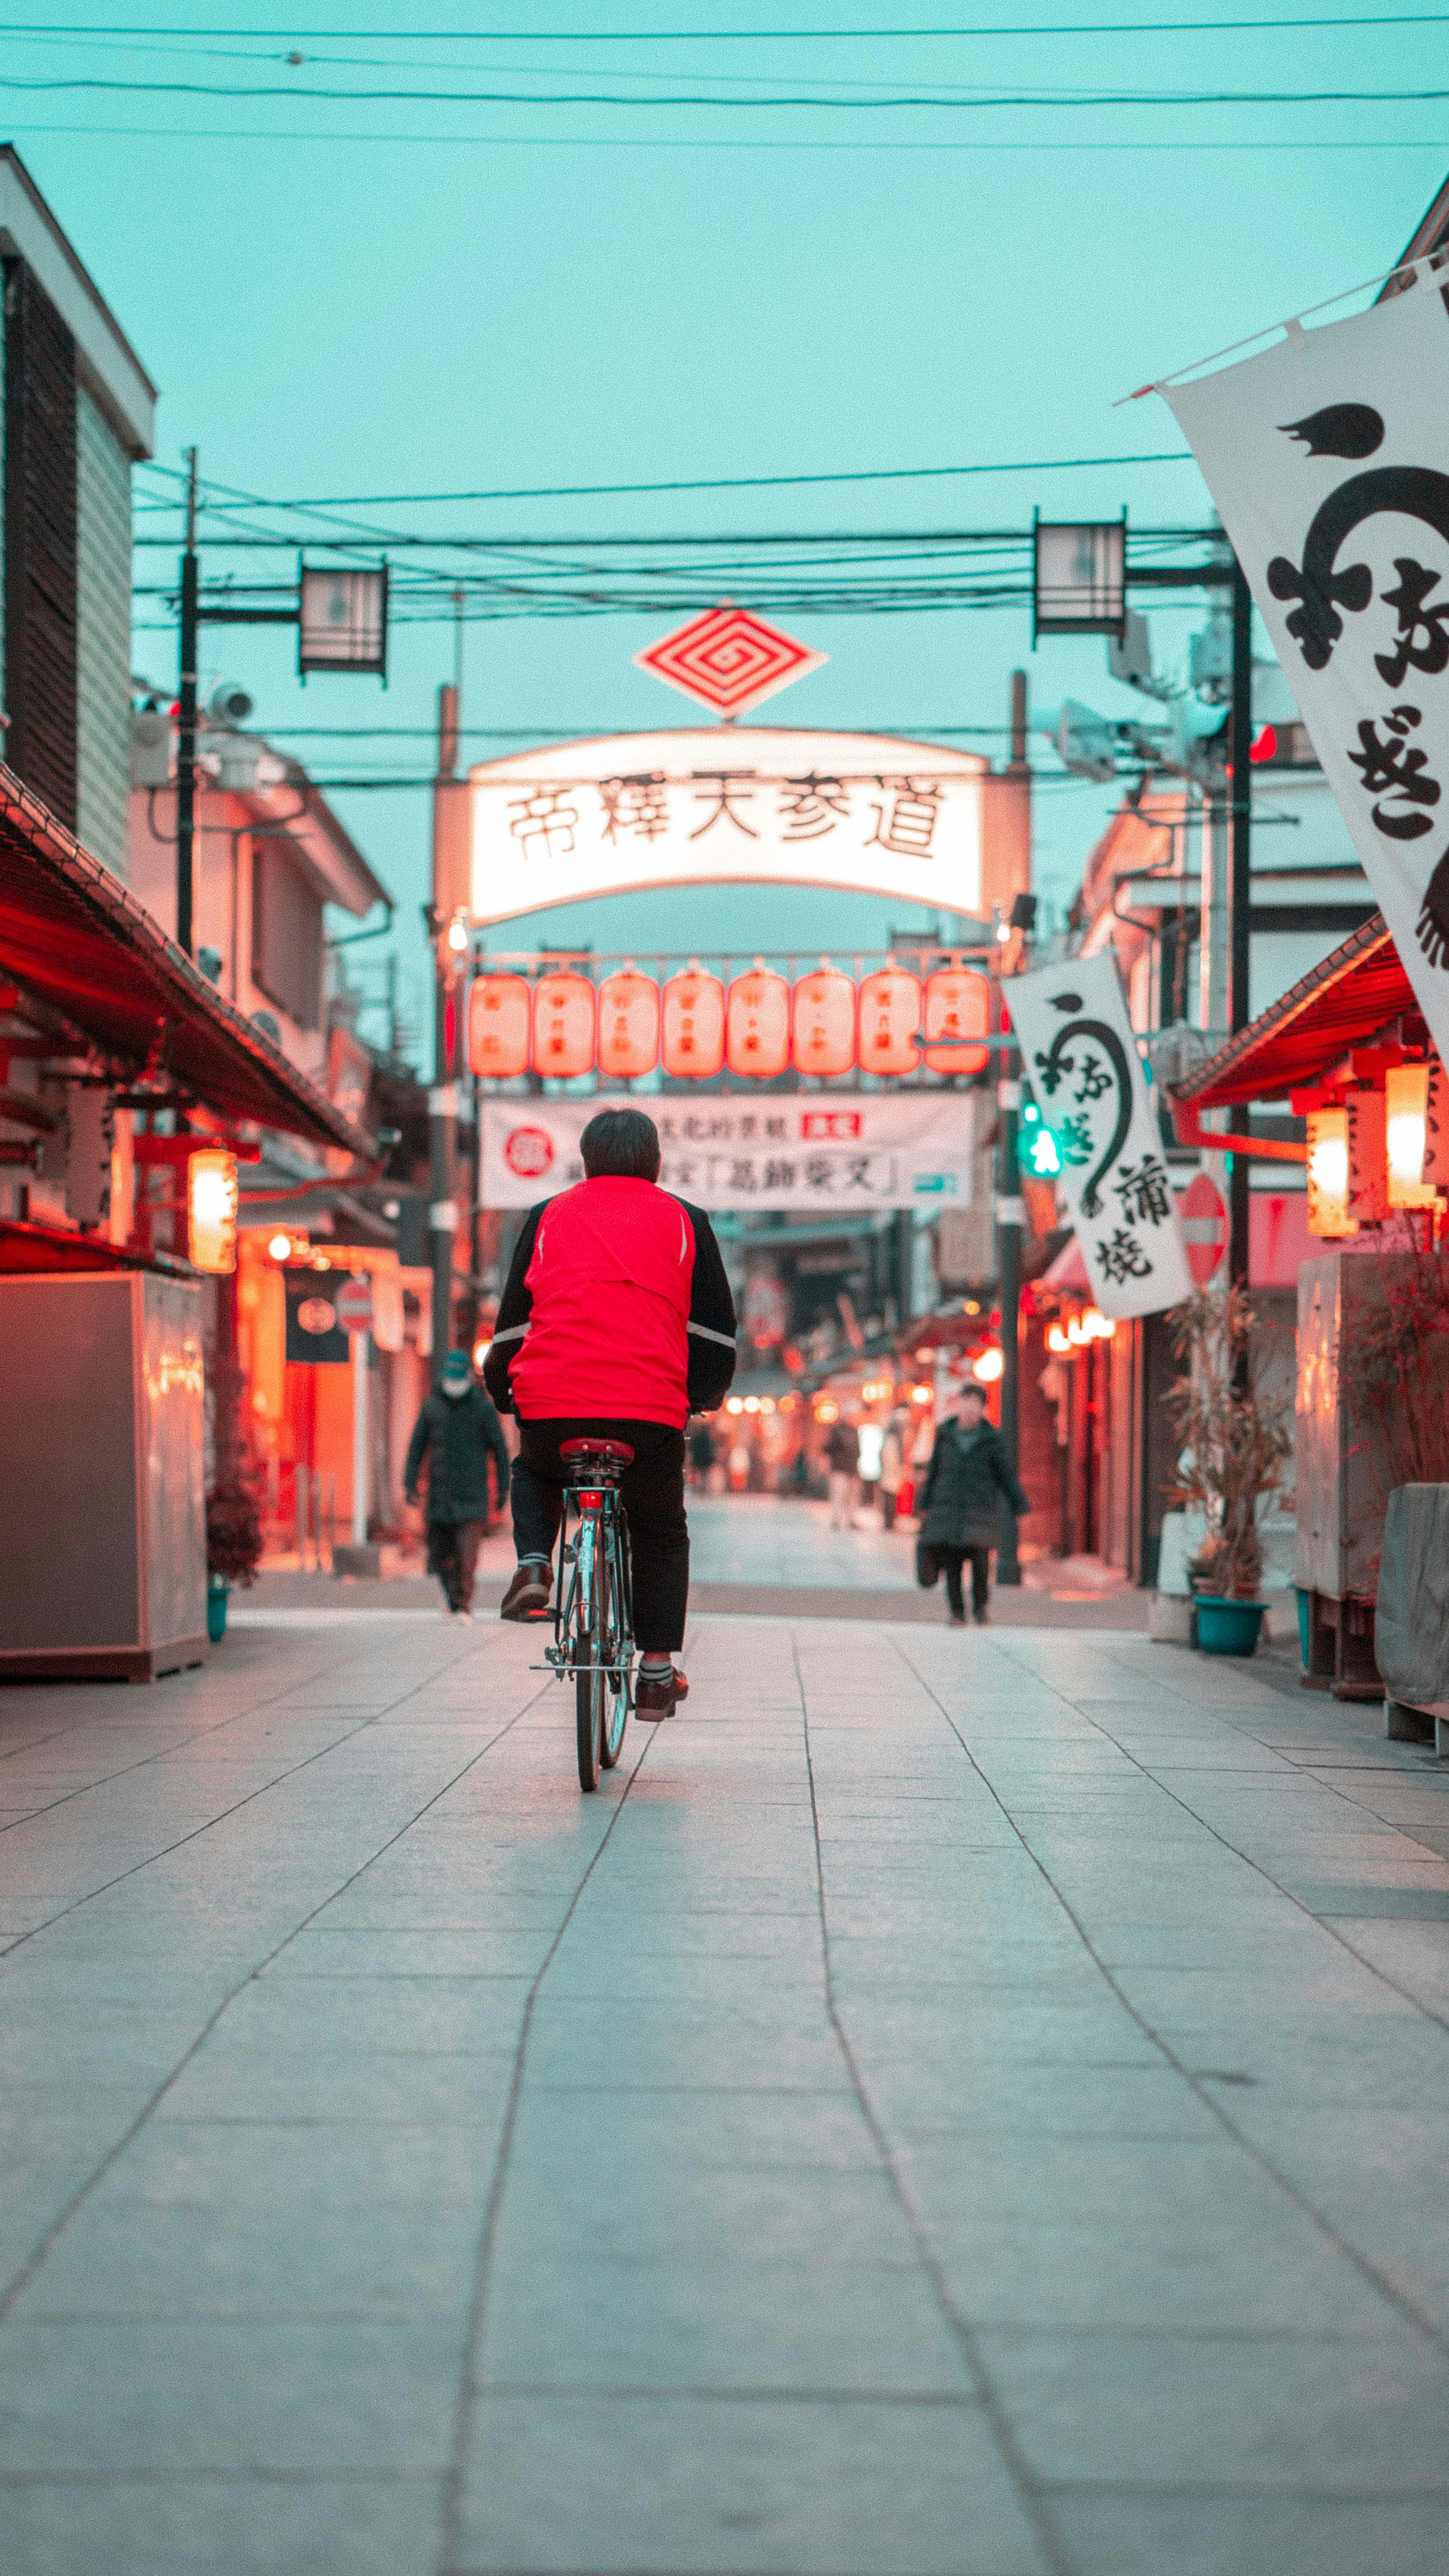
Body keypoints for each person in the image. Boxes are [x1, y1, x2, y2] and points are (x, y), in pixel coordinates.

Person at [483, 1106, 736, 1716]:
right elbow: (712, 1329)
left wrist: (502, 1388)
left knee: (535, 1469)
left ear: (586, 1159)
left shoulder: (546, 1216)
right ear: (654, 1161)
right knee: (658, 1528)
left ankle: (535, 1563)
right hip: (647, 1412)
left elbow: (516, 1316)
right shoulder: (685, 1220)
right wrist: (699, 1395)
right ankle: (654, 1671)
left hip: (552, 1404)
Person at [404, 1347, 512, 1621]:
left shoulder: (483, 1408)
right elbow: (417, 1447)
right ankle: (453, 1597)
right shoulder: (432, 1405)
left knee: (466, 1555)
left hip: (473, 1495)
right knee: (440, 1554)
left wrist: (502, 1490)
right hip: (440, 1494)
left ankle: (462, 1602)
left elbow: (499, 1451)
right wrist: (410, 1482)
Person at [918, 1381, 1030, 1626]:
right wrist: (924, 1505)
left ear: (982, 1410)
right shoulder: (945, 1435)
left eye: (974, 1408)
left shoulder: (992, 1440)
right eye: (964, 1406)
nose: (968, 1412)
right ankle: (957, 1613)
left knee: (980, 1565)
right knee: (953, 1567)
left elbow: (1007, 1476)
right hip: (949, 1510)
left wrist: (1020, 1507)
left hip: (981, 1511)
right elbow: (934, 1472)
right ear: (957, 1406)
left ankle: (980, 1608)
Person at [824, 1414, 858, 1528]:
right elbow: (828, 1448)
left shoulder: (854, 1431)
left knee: (851, 1496)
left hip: (851, 1469)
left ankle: (850, 1519)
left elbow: (858, 1451)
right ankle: (836, 1519)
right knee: (838, 1494)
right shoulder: (837, 1430)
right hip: (839, 1468)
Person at [878, 1410, 907, 1532]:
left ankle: (889, 1521)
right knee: (890, 1495)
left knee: (890, 1495)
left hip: (889, 1471)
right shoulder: (894, 1439)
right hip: (891, 1470)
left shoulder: (890, 1437)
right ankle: (889, 1521)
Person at [688, 1419, 715, 1492]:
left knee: (698, 1474)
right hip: (705, 1459)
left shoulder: (697, 1437)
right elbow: (710, 1449)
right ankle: (704, 1489)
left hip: (698, 1458)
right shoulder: (708, 1438)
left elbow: (692, 1447)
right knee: (704, 1475)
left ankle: (697, 1488)